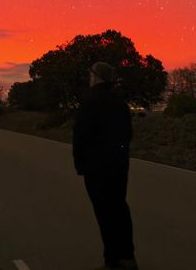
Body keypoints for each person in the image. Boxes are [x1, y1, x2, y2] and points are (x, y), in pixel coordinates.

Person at [73, 61, 137, 269]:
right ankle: (127, 256)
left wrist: (80, 164)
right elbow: (128, 135)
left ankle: (112, 260)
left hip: (96, 168)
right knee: (120, 208)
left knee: (104, 213)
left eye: (90, 74)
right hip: (119, 166)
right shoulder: (120, 103)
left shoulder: (89, 101)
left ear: (96, 77)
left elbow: (80, 136)